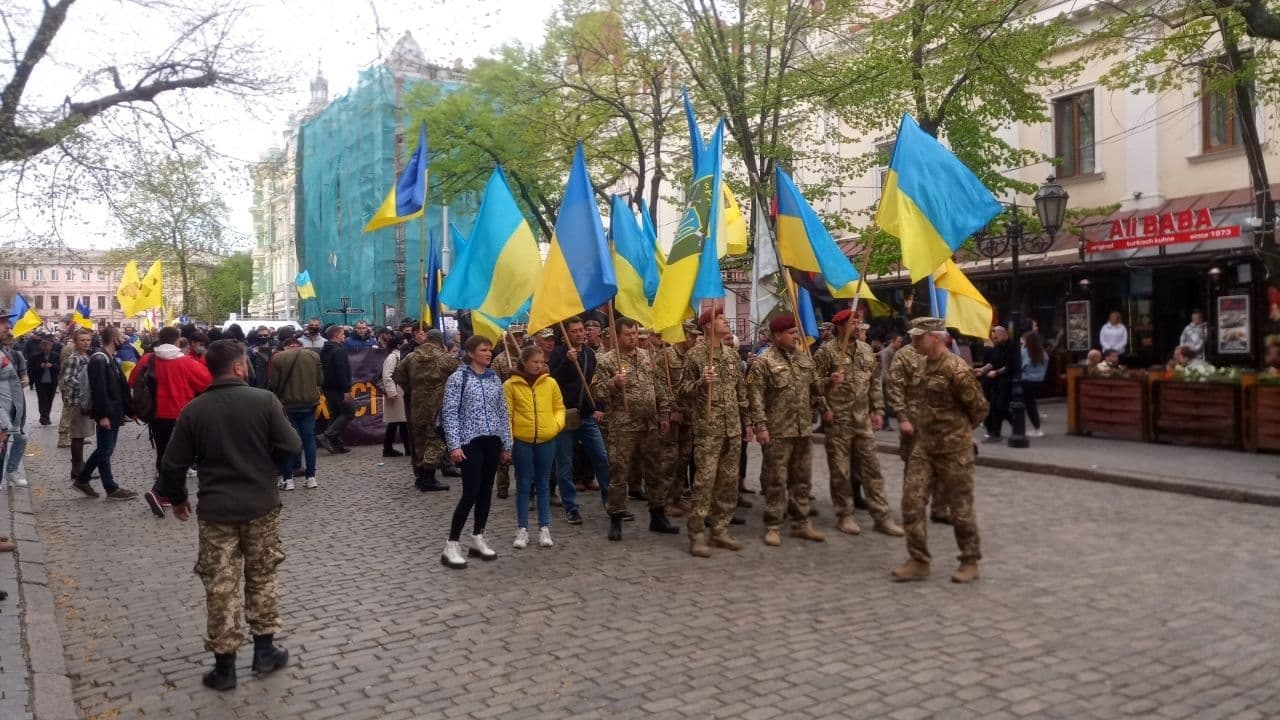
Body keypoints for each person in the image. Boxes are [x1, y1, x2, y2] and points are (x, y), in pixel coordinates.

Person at [159, 339, 300, 691]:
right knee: (262, 575)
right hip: (261, 506)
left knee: (220, 585)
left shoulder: (194, 410)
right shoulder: (264, 401)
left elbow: (172, 463)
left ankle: (225, 668)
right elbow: (292, 446)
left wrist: (177, 498)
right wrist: (269, 463)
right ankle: (264, 652)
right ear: (239, 367)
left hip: (216, 511)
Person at [892, 317, 988, 584]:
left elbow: (979, 408)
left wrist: (959, 431)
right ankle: (918, 560)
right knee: (911, 502)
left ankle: (969, 560)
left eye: (919, 336)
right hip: (925, 446)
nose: (913, 341)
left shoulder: (956, 369)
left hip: (953, 449)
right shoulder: (922, 364)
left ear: (936, 337)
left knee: (960, 507)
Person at [814, 310, 905, 538]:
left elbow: (874, 383)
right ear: (840, 326)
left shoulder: (866, 351)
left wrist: (879, 410)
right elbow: (813, 385)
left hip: (863, 419)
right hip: (839, 420)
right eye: (853, 322)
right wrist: (825, 405)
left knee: (872, 469)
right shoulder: (826, 352)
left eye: (859, 322)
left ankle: (882, 516)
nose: (858, 326)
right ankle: (844, 514)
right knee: (841, 471)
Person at [746, 315, 827, 547]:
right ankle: (773, 524)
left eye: (795, 332)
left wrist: (831, 381)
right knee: (775, 480)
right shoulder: (764, 362)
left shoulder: (803, 359)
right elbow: (756, 399)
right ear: (778, 335)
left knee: (802, 479)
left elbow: (815, 388)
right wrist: (760, 426)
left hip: (802, 430)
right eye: (791, 333)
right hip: (778, 431)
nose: (795, 336)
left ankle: (801, 523)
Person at [592, 317, 674, 541]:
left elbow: (658, 386)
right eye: (628, 334)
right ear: (617, 336)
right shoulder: (608, 360)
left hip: (649, 423)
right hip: (624, 425)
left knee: (655, 470)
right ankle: (616, 518)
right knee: (620, 471)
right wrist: (613, 383)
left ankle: (658, 516)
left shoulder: (646, 356)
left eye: (635, 333)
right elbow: (596, 392)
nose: (633, 338)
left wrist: (664, 413)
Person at [678, 308, 748, 557]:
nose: (724, 320)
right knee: (705, 482)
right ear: (707, 325)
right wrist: (700, 383)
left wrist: (747, 422)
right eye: (719, 318)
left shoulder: (731, 355)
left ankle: (720, 530)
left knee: (729, 482)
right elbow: (682, 391)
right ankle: (696, 533)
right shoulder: (695, 356)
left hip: (732, 428)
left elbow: (741, 392)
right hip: (709, 429)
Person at [440, 336, 512, 569]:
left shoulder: (494, 379)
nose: (489, 353)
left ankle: (478, 535)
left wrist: (506, 444)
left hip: (492, 440)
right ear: (471, 353)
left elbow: (502, 411)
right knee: (470, 493)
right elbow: (449, 413)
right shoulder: (457, 378)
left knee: (485, 492)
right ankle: (451, 544)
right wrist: (454, 445)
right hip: (469, 441)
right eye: (483, 350)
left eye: (490, 350)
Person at [135, 326, 214, 517]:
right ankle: (158, 490)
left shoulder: (149, 359)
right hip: (180, 414)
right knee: (181, 457)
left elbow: (133, 380)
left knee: (163, 454)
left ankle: (165, 495)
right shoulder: (185, 362)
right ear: (178, 340)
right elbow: (207, 382)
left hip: (156, 414)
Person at [888, 319, 951, 524]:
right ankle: (913, 509)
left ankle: (940, 508)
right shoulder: (904, 355)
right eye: (914, 335)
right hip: (915, 419)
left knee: (942, 465)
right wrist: (902, 417)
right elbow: (895, 387)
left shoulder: (943, 356)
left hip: (940, 420)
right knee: (914, 467)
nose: (915, 338)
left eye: (920, 335)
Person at [549, 317, 610, 526]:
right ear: (566, 334)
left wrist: (599, 407)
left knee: (602, 458)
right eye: (574, 331)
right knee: (565, 464)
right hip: (564, 416)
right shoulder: (557, 353)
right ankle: (571, 508)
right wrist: (567, 361)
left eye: (581, 329)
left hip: (587, 416)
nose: (580, 333)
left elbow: (597, 383)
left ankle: (611, 503)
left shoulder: (590, 354)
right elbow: (553, 381)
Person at [503, 345, 565, 549]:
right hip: (523, 441)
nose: (539, 365)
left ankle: (544, 527)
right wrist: (510, 440)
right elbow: (507, 415)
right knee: (523, 484)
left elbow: (559, 408)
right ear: (524, 362)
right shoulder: (511, 385)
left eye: (541, 362)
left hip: (547, 439)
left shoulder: (551, 383)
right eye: (535, 362)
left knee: (544, 484)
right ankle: (522, 529)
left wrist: (555, 426)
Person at [71, 326, 138, 500]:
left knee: (104, 449)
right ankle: (110, 487)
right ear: (114, 338)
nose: (124, 340)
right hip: (107, 413)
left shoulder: (110, 358)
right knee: (105, 450)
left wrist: (131, 411)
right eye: (121, 336)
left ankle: (83, 480)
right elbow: (99, 390)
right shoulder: (99, 360)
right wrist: (103, 415)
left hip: (114, 411)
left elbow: (119, 388)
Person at [392, 329, 458, 492]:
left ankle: (421, 476)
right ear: (440, 341)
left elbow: (397, 375)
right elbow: (459, 376)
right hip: (438, 405)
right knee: (436, 440)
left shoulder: (411, 357)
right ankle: (429, 477)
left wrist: (411, 389)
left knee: (420, 441)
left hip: (416, 404)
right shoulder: (446, 359)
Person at [655, 320, 701, 520]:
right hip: (673, 417)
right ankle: (664, 501)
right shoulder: (665, 357)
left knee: (683, 458)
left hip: (689, 415)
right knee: (669, 459)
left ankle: (676, 496)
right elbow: (659, 386)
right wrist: (670, 410)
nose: (693, 339)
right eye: (691, 335)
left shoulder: (691, 358)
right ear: (682, 335)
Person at [267, 335, 323, 490]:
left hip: (287, 405)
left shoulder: (278, 358)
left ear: (286, 346)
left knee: (287, 441)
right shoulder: (313, 355)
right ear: (299, 345)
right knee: (309, 440)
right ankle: (311, 477)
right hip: (309, 403)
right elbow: (320, 380)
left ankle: (287, 479)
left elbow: (273, 383)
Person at [0, 313, 30, 488]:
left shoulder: (11, 353)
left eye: (7, 324)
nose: (7, 326)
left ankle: (11, 471)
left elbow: (19, 377)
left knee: (20, 438)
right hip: (3, 413)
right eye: (2, 323)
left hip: (13, 408)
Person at [317, 325, 354, 454]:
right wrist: (346, 390)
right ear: (337, 335)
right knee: (349, 412)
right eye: (343, 334)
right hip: (337, 388)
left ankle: (336, 444)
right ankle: (327, 435)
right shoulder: (338, 351)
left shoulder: (325, 349)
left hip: (327, 387)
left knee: (336, 414)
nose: (344, 336)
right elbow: (341, 371)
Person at [975, 326, 1014, 442]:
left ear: (1004, 335)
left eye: (996, 338)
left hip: (1007, 381)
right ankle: (1014, 427)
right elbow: (993, 362)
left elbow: (1009, 366)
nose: (994, 340)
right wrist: (982, 369)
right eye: (993, 338)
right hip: (997, 382)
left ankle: (996, 434)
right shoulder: (997, 347)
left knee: (999, 407)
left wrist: (996, 372)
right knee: (998, 407)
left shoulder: (1011, 347)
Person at [380, 335, 410, 458]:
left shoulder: (399, 356)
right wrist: (392, 392)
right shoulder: (393, 357)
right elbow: (387, 376)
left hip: (400, 390)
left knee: (401, 421)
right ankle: (388, 448)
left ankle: (406, 448)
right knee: (396, 421)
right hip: (396, 391)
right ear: (399, 345)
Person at [1020, 330, 1048, 438]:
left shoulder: (1025, 351)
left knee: (1026, 404)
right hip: (1037, 380)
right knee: (1031, 404)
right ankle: (1037, 427)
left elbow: (1023, 365)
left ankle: (1035, 428)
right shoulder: (1042, 353)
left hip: (1026, 380)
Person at [26, 337, 59, 426]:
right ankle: (43, 417)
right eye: (44, 348)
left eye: (47, 348)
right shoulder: (36, 357)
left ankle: (46, 416)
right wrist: (40, 366)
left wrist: (51, 365)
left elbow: (59, 368)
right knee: (42, 399)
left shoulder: (55, 356)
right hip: (40, 382)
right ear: (41, 347)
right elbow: (31, 369)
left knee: (49, 400)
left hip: (52, 382)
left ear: (51, 347)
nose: (46, 350)